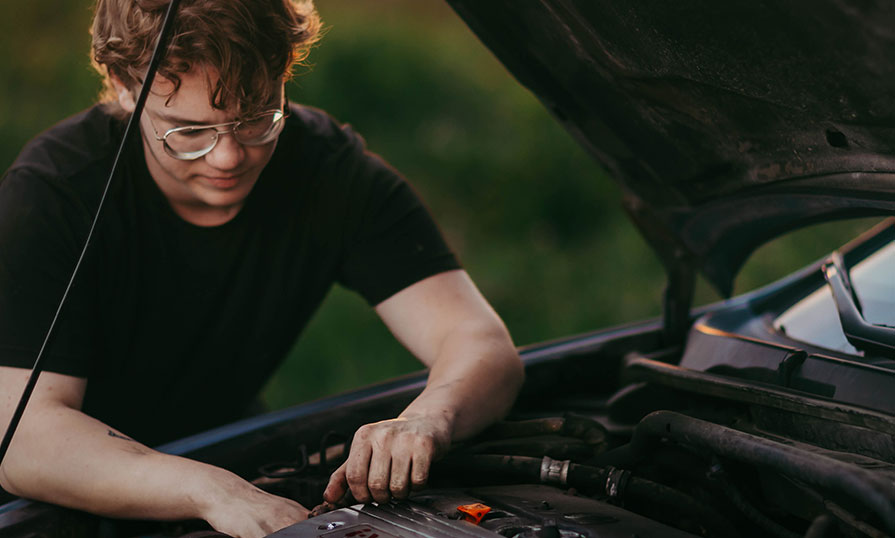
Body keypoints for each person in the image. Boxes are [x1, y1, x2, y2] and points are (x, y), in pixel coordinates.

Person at [0, 0, 524, 536]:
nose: (228, 157)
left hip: (231, 457)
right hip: (52, 503)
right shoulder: (54, 193)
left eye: (255, 119)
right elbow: (24, 438)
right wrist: (210, 490)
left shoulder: (329, 173)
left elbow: (481, 343)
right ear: (124, 87)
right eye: (188, 131)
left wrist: (427, 419)